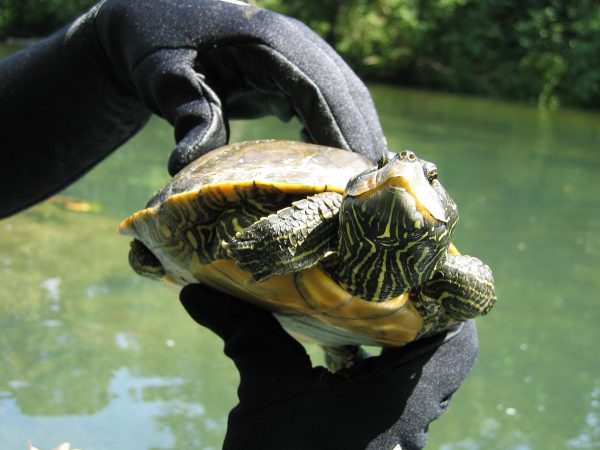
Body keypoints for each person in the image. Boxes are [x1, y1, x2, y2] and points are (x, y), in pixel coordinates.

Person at [0, 1, 479, 448]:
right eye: (390, 165)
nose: (405, 166)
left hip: (332, 328)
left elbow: (478, 292)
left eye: (427, 176)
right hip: (235, 250)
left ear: (445, 217)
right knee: (154, 253)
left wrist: (96, 54)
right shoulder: (331, 212)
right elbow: (310, 213)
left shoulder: (435, 273)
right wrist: (103, 45)